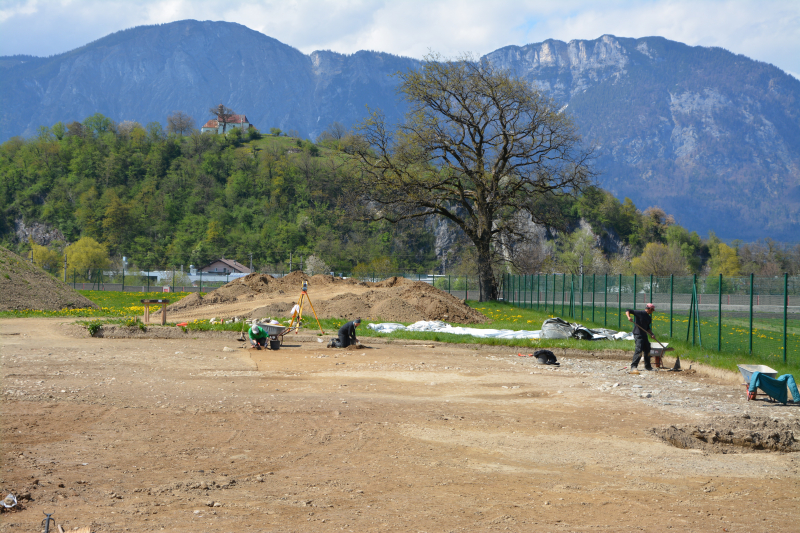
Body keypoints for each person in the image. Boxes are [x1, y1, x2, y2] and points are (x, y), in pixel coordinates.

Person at [625, 303, 656, 371]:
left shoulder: (649, 317)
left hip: (644, 334)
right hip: (638, 334)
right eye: (652, 310)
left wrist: (651, 334)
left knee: (647, 350)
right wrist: (629, 317)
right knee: (639, 350)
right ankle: (634, 366)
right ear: (649, 309)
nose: (652, 311)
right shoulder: (640, 313)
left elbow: (647, 328)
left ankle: (648, 366)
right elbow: (628, 310)